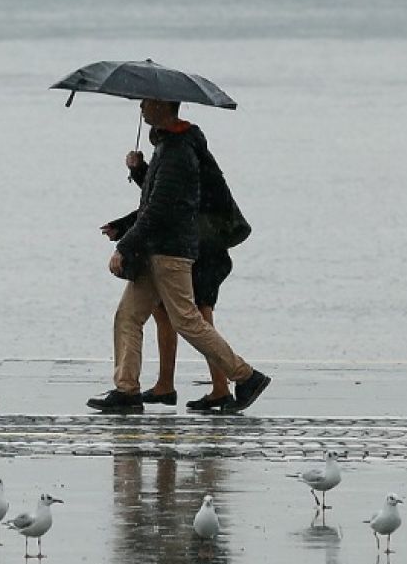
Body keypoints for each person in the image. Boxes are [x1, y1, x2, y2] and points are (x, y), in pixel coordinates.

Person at [87, 98, 270, 414]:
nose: (141, 107)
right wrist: (139, 170)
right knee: (128, 316)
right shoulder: (167, 147)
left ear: (163, 107)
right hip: (156, 249)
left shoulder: (178, 151)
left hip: (170, 253)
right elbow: (160, 197)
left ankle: (246, 377)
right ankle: (127, 391)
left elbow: (161, 209)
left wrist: (125, 246)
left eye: (147, 103)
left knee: (188, 321)